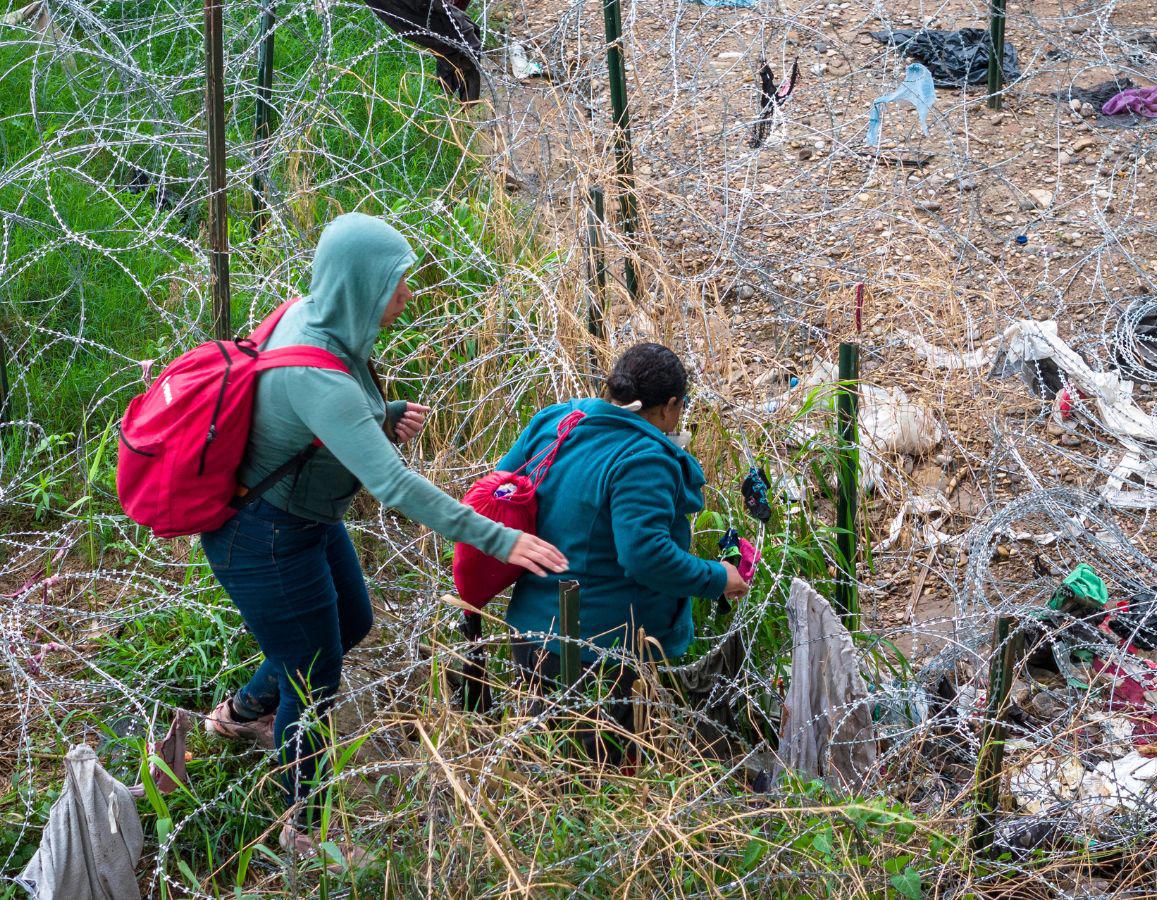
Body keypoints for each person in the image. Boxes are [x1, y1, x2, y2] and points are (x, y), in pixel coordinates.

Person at [200, 213, 566, 859]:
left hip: (301, 520)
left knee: (350, 626)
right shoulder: (321, 377)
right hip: (264, 538)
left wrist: (381, 417)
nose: (408, 295)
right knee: (315, 678)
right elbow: (395, 487)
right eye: (397, 283)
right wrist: (497, 539)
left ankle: (243, 713)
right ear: (362, 286)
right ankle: (307, 829)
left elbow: (315, 421)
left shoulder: (318, 316)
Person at [495, 343, 749, 762]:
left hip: (530, 632)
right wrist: (718, 576)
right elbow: (645, 555)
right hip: (598, 653)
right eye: (680, 408)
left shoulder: (559, 421)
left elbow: (500, 490)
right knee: (602, 777)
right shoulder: (644, 458)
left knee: (548, 769)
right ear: (670, 406)